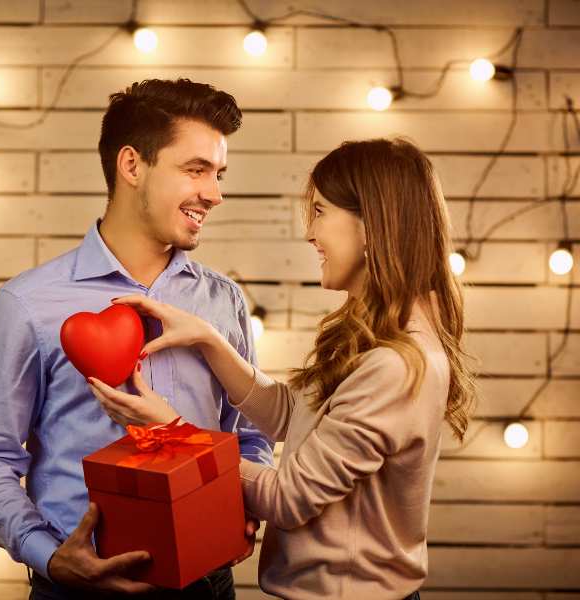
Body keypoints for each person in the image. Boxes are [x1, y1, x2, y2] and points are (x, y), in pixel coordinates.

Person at [91, 138, 477, 600]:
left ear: (373, 224)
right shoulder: (377, 337)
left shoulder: (394, 364)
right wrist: (208, 339)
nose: (310, 234)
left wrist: (168, 434)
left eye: (320, 213)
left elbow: (287, 497)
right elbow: (293, 417)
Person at [0, 78, 274, 600]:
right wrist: (49, 556)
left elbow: (250, 437)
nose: (214, 194)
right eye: (196, 170)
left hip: (208, 587)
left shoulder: (224, 301)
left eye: (218, 174)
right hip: (75, 592)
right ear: (132, 165)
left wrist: (242, 508)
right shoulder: (27, 304)